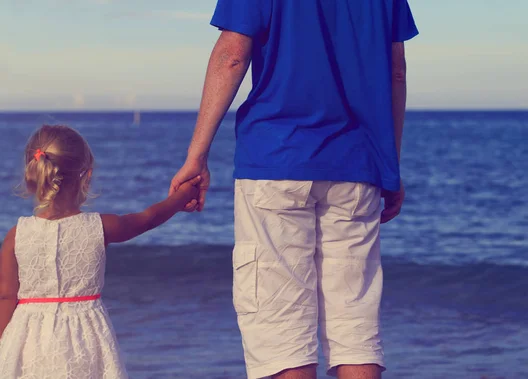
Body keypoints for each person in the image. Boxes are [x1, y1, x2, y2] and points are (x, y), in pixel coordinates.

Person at [170, 1, 418, 378]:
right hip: (358, 164)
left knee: (280, 330)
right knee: (355, 326)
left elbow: (233, 56)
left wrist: (196, 155)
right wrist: (391, 163)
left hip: (276, 159)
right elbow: (396, 72)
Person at [0, 124, 202, 378]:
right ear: (86, 175)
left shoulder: (16, 235)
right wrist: (180, 198)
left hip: (27, 341)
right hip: (85, 341)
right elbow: (147, 219)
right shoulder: (99, 226)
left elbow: (6, 298)